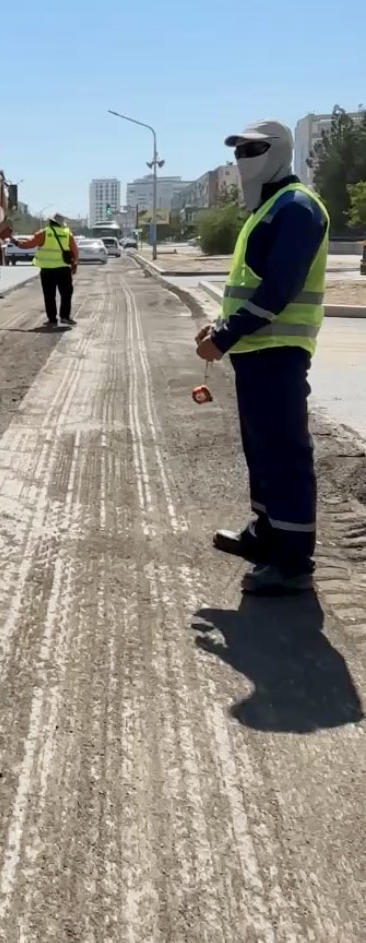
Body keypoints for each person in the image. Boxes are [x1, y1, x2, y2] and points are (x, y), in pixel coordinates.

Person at [195, 119, 329, 597]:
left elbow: (280, 287)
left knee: (284, 454)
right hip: (254, 352)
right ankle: (266, 534)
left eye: (254, 149)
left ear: (280, 151)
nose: (243, 159)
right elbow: (246, 284)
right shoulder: (266, 208)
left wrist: (225, 335)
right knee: (262, 451)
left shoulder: (296, 207)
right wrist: (219, 326)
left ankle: (293, 561)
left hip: (279, 351)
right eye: (238, 151)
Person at [11, 214, 79, 327]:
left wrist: (15, 241)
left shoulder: (44, 233)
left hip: (48, 270)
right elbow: (75, 250)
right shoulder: (67, 234)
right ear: (61, 224)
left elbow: (28, 244)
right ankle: (65, 317)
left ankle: (52, 320)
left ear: (51, 222)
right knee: (66, 294)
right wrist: (75, 264)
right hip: (63, 269)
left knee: (49, 295)